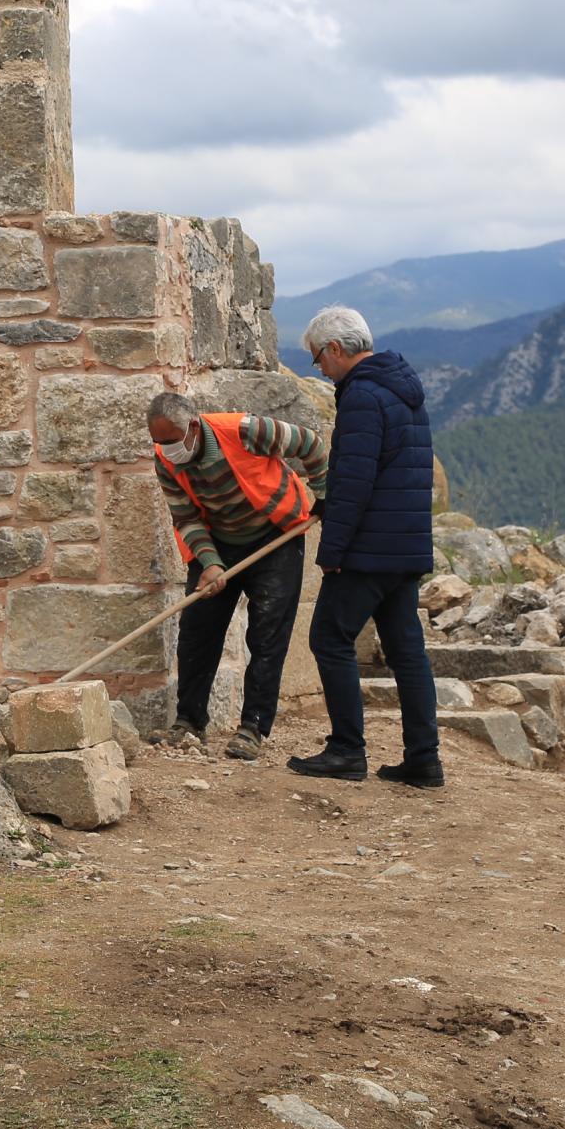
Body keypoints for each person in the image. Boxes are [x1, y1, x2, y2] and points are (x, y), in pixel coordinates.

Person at [289, 306, 443, 787]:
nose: (320, 369)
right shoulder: (404, 390)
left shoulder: (361, 396)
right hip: (406, 545)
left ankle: (346, 750)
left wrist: (332, 553)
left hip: (369, 550)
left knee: (329, 640)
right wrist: (325, 506)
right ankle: (424, 758)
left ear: (335, 349)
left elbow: (354, 482)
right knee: (407, 652)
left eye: (318, 360)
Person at [147, 390, 330, 760]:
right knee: (197, 631)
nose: (166, 449)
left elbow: (310, 443)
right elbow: (185, 516)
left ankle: (253, 727)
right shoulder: (165, 460)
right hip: (217, 540)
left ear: (194, 427)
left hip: (275, 535)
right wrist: (210, 562)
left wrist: (325, 495)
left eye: (171, 440)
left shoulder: (246, 430)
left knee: (267, 634)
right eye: (158, 442)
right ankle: (189, 722)